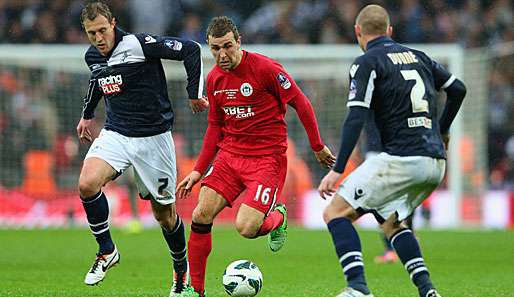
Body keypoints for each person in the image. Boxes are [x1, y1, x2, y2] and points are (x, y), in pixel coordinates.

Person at [175, 16, 336, 297]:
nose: (222, 55)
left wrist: (317, 145)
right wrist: (199, 170)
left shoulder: (266, 69)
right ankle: (195, 290)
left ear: (239, 41)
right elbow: (215, 127)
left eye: (227, 46)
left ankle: (278, 218)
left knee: (247, 228)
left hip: (266, 160)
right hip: (229, 156)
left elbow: (301, 102)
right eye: (215, 48)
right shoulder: (213, 79)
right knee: (200, 214)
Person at [318, 5, 466, 297]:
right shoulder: (419, 57)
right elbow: (458, 88)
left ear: (358, 32)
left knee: (335, 213)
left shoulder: (366, 62)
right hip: (435, 162)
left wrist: (337, 169)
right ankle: (428, 290)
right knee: (391, 222)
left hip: (402, 159)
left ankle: (358, 288)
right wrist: (443, 129)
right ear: (390, 32)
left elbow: (356, 117)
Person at [76, 2, 207, 296]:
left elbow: (190, 49)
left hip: (154, 139)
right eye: (91, 33)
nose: (98, 38)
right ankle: (107, 251)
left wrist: (194, 93)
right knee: (87, 184)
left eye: (102, 30)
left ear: (113, 23)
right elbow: (98, 80)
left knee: (165, 216)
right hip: (116, 133)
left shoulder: (139, 44)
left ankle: (181, 272)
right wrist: (87, 114)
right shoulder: (92, 56)